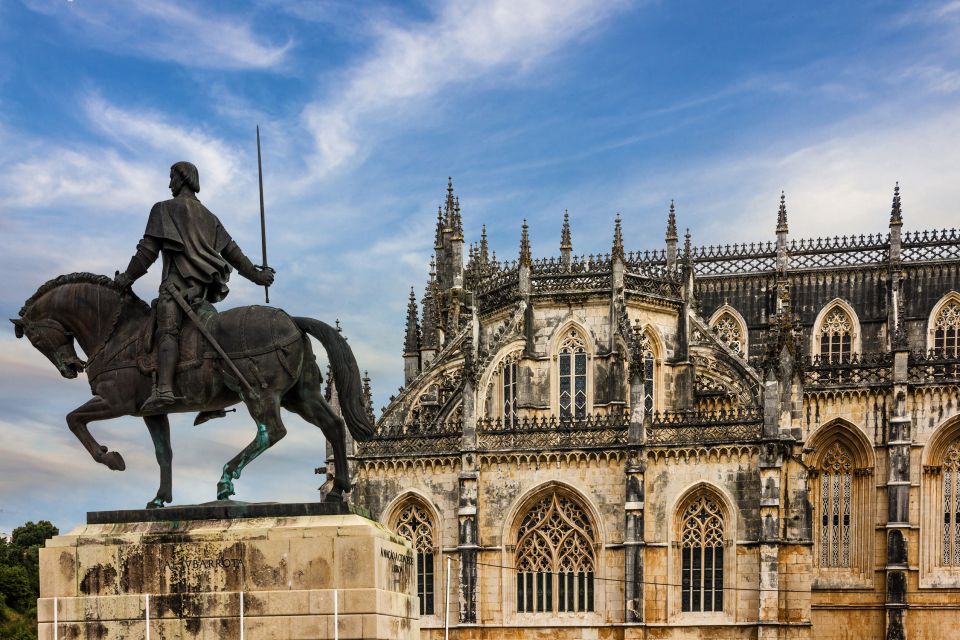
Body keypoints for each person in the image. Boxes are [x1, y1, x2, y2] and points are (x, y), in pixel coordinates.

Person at [114, 161, 274, 414]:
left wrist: (127, 278)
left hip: (176, 293)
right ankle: (212, 402)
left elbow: (147, 252)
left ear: (184, 178)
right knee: (209, 340)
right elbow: (234, 254)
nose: (169, 184)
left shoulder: (163, 209)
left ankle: (165, 388)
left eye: (172, 177)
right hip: (202, 295)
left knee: (167, 332)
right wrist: (257, 276)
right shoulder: (211, 218)